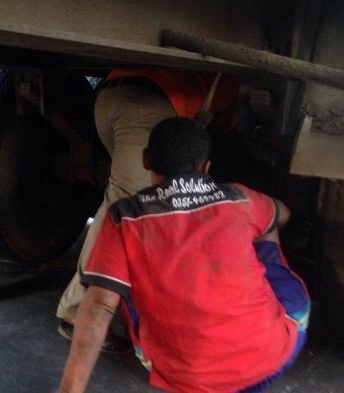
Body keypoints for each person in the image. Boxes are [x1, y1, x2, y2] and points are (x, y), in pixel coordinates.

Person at [57, 117, 310, 392]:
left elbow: (100, 306)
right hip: (266, 363)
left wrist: (69, 389)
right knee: (268, 226)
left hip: (182, 378)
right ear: (205, 167)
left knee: (121, 280)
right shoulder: (239, 197)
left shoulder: (124, 216)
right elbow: (282, 214)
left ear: (145, 159)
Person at [56, 70, 239, 349]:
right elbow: (217, 131)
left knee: (122, 198)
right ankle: (79, 314)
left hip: (108, 97)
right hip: (145, 109)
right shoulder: (228, 78)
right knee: (123, 209)